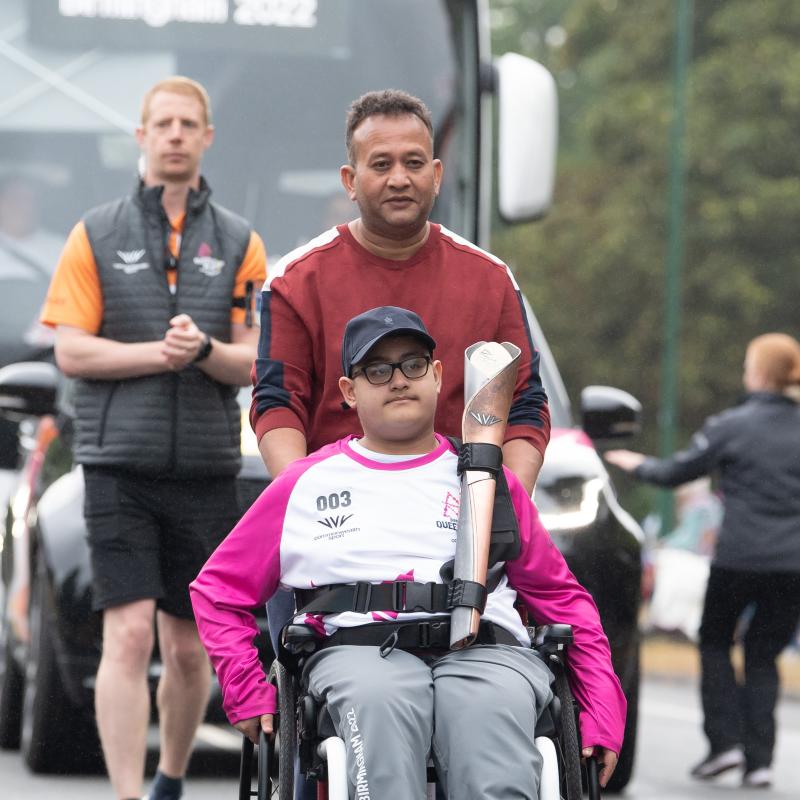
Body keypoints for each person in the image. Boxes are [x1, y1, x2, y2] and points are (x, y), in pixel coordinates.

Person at [192, 306, 624, 799]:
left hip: (486, 652)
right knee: (381, 703)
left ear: (437, 376)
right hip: (359, 654)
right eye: (377, 370)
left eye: (413, 364)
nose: (398, 380)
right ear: (350, 392)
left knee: (485, 717)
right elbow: (217, 591)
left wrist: (602, 711)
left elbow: (564, 600)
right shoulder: (305, 485)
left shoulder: (488, 480)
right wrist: (246, 690)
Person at [40, 76, 266, 800]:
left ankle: (170, 776)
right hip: (116, 468)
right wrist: (154, 356)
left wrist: (201, 350)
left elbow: (253, 358)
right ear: (141, 137)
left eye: (187, 123)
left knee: (188, 646)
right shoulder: (95, 233)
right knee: (130, 634)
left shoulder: (240, 242)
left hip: (204, 468)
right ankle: (127, 794)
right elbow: (71, 351)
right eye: (161, 123)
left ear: (206, 137)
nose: (174, 134)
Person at [250, 89, 550, 497]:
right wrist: (304, 503)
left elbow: (525, 404)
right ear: (350, 182)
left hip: (458, 517)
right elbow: (277, 403)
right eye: (380, 164)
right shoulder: (295, 280)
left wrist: (503, 510)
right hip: (337, 517)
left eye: (414, 163)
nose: (399, 178)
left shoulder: (491, 278)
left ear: (437, 175)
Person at [605, 332, 800, 789]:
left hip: (739, 559)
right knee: (764, 655)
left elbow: (677, 473)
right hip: (792, 565)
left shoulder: (731, 425)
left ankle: (723, 745)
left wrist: (634, 463)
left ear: (757, 373)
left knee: (714, 640)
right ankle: (760, 761)